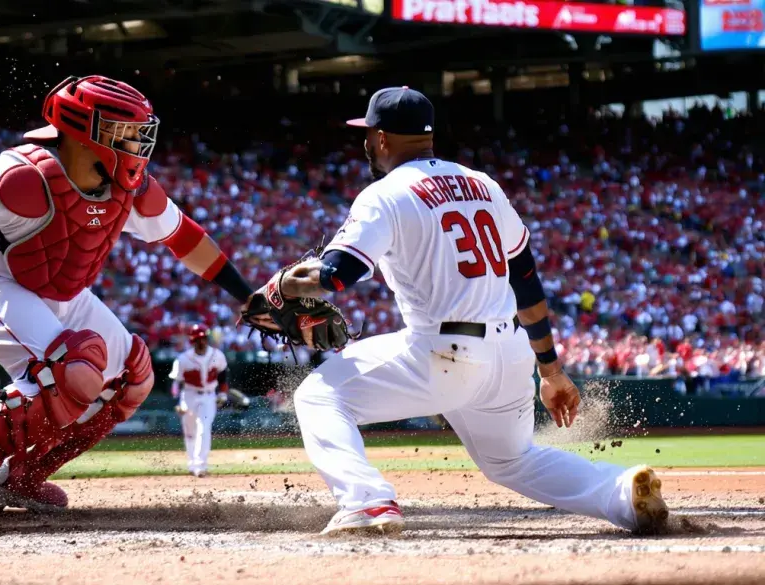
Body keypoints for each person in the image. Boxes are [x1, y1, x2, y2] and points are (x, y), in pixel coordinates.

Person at [267, 86, 669, 536]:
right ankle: (621, 494)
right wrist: (551, 371)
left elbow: (339, 274)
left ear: (380, 138)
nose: (365, 143)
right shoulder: (484, 185)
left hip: (443, 350)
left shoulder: (384, 194)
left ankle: (368, 502)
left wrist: (281, 284)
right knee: (512, 459)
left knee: (319, 395)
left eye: (368, 134)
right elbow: (526, 280)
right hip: (510, 353)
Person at [0, 75, 256, 520]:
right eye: (126, 133)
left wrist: (248, 297)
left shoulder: (130, 187)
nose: (138, 143)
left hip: (63, 293)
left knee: (133, 376)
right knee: (71, 371)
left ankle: (15, 476)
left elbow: (185, 238)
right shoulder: (18, 175)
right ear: (85, 131)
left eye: (139, 133)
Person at [169, 324, 230, 477]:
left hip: (209, 395)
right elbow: (176, 383)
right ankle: (192, 464)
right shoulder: (183, 359)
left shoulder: (217, 355)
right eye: (198, 339)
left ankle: (200, 466)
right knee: (190, 433)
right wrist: (178, 402)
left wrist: (222, 393)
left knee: (204, 428)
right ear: (192, 341)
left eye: (203, 338)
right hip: (189, 395)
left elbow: (223, 376)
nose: (201, 342)